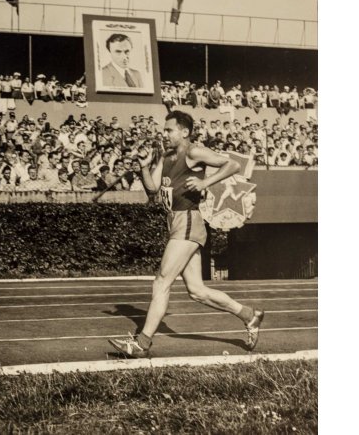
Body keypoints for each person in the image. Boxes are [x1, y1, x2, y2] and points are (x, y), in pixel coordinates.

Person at [108, 110, 264, 358]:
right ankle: (249, 315)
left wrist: (204, 184)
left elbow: (233, 164)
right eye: (164, 129)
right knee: (197, 291)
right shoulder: (166, 156)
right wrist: (145, 167)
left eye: (169, 130)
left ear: (184, 132)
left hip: (189, 221)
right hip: (175, 222)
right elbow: (152, 191)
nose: (164, 133)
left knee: (162, 280)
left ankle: (142, 343)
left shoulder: (193, 152)